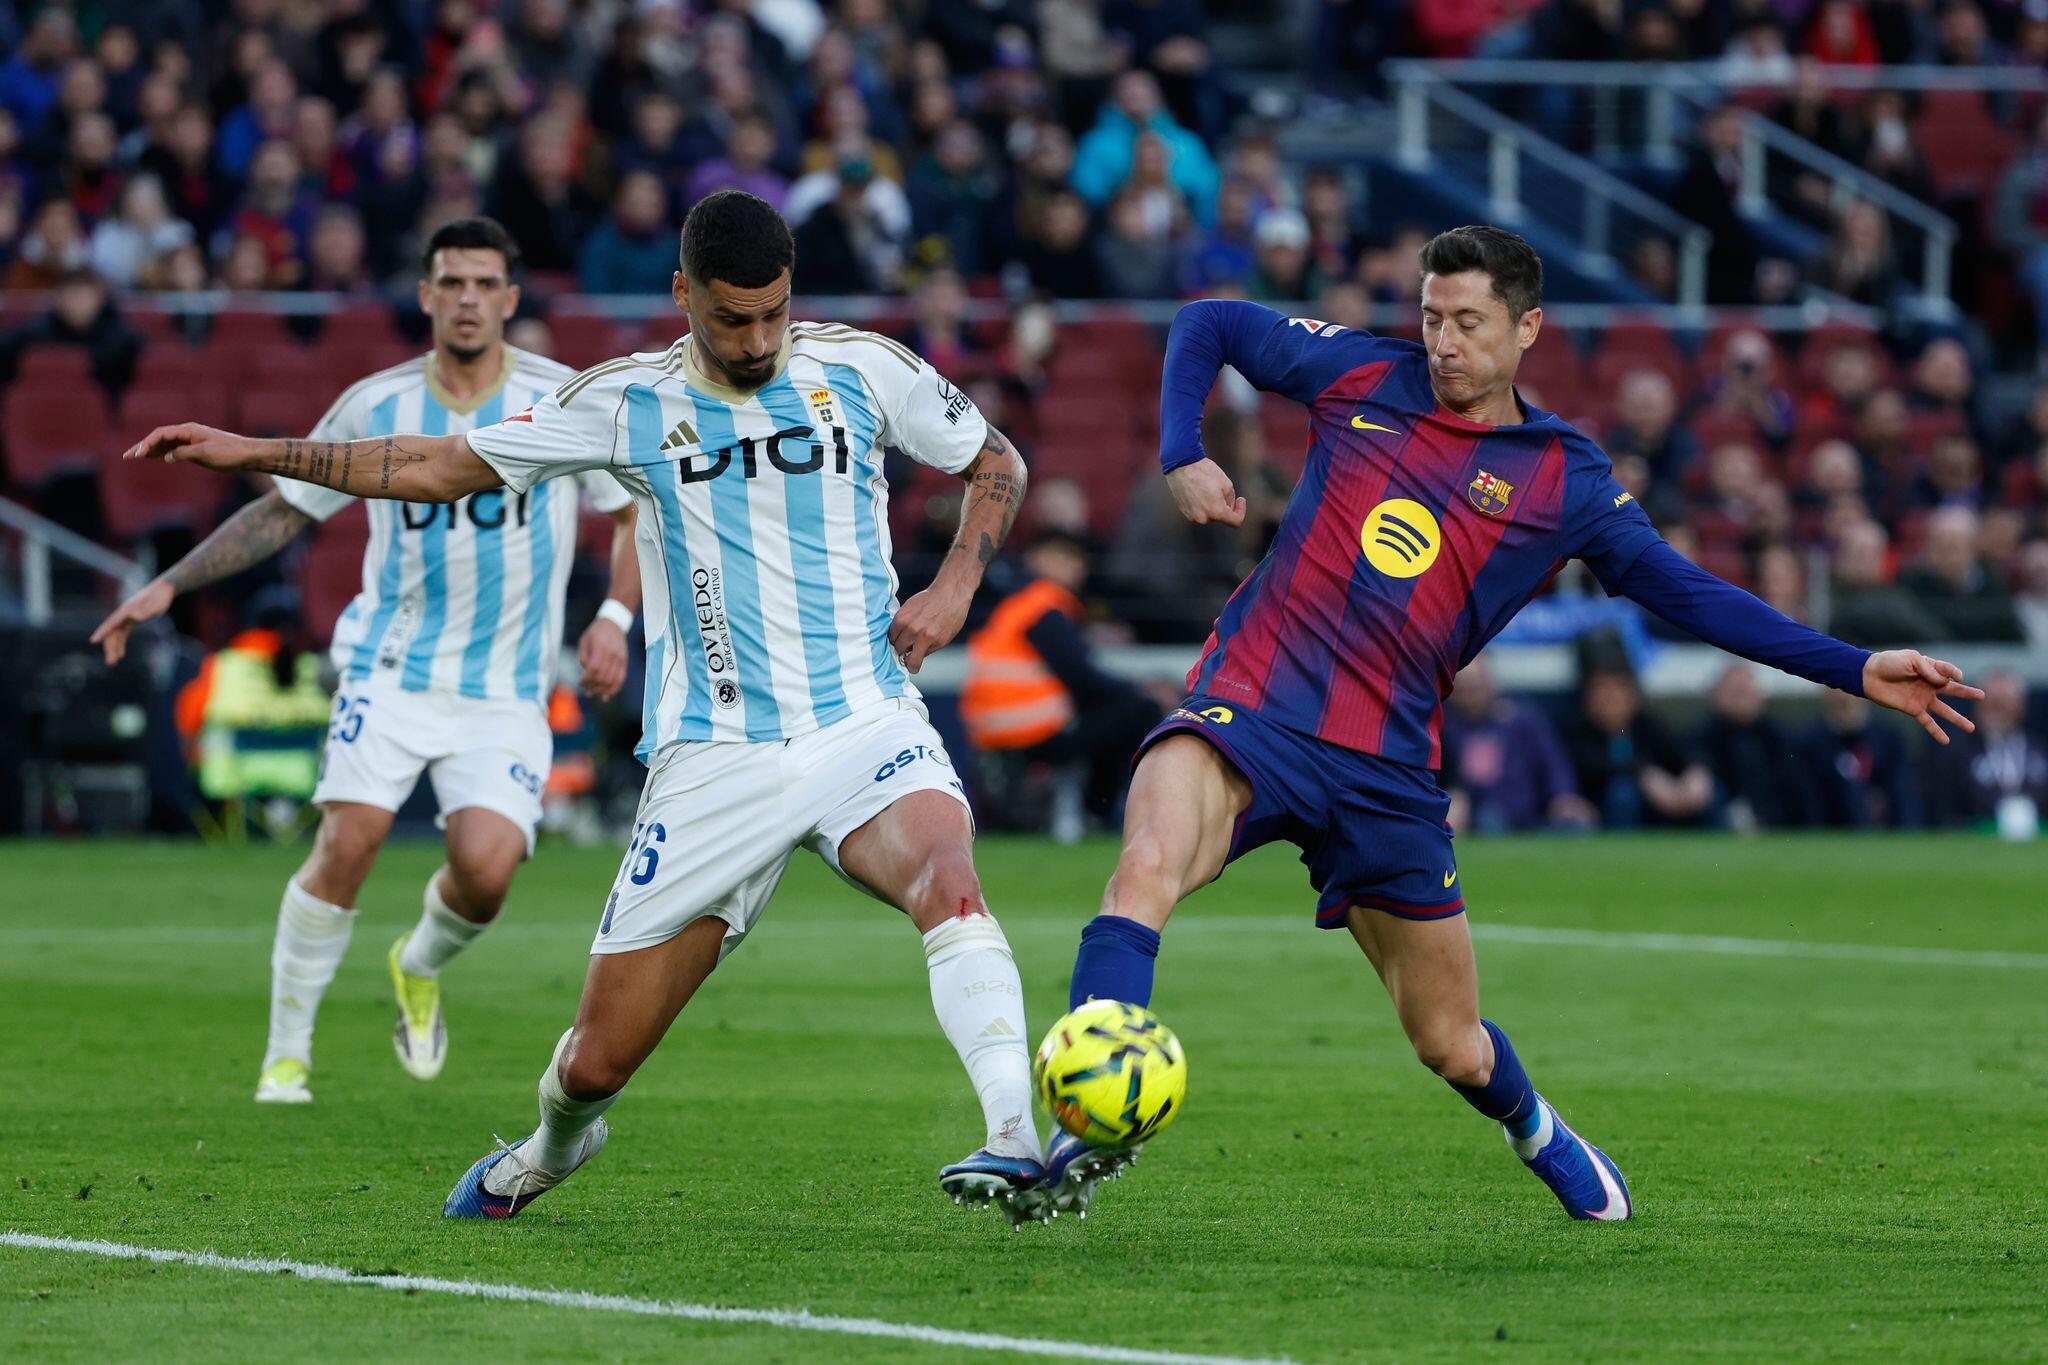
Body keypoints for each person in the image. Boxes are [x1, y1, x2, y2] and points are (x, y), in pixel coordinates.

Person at [120, 191, 1050, 1225]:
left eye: (773, 314)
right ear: (682, 294)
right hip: (714, 759)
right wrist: (258, 451)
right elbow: (440, 464)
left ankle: (1014, 1137)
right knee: (593, 1065)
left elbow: (995, 462)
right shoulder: (623, 402)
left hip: (862, 719)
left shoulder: (863, 368)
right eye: (731, 318)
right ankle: (551, 1145)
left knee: (948, 881)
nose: (756, 341)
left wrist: (956, 584)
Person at [1044, 226, 1982, 1225]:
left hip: (1384, 769)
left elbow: (1688, 594)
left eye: (1468, 323)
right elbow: (1209, 322)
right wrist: (1182, 451)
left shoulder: (1562, 478)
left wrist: (1851, 666)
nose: (1442, 343)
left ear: (1527, 328)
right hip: (1252, 710)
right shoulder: (1361, 373)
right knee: (1143, 868)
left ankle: (1535, 1126)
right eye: (1430, 318)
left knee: (1450, 1044)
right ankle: (1080, 1126)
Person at [92, 217, 642, 1105]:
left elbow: (629, 511)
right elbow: (287, 508)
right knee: (349, 840)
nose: (468, 299)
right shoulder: (376, 403)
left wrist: (615, 615)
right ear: (426, 295)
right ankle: (286, 1058)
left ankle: (416, 963)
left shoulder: (557, 399)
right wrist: (170, 583)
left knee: (487, 872)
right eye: (451, 282)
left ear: (510, 298)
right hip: (391, 666)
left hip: (506, 685)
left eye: (485, 283)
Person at [961, 531, 1162, 826]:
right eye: (1061, 556)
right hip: (1031, 730)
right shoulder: (1044, 608)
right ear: (1035, 558)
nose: (1073, 567)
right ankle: (1099, 811)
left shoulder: (1017, 605)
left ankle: (1093, 809)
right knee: (1140, 709)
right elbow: (1082, 679)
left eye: (1077, 559)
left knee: (1120, 707)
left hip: (995, 730)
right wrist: (1143, 689)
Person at [1440, 657, 1592, 833]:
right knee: (1488, 819)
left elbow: (1553, 762)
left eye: (1476, 686)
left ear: (1491, 683)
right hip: (1478, 817)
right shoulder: (1445, 727)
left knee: (1574, 824)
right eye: (1465, 688)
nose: (1471, 695)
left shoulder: (1522, 719)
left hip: (1532, 815)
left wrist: (1564, 796)